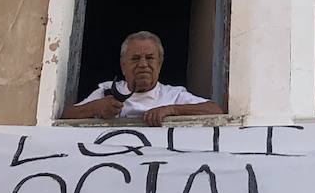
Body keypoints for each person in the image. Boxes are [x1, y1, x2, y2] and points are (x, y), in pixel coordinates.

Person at [62, 30, 223, 126]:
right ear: (123, 65)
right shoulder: (107, 92)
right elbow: (65, 116)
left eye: (150, 58)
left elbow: (215, 111)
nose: (143, 64)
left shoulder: (172, 96)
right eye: (135, 58)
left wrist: (172, 110)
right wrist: (95, 108)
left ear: (159, 64)